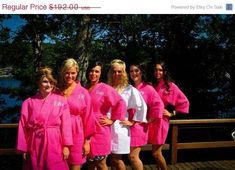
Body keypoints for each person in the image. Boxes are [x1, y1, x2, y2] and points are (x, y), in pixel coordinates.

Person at [16, 67, 73, 170]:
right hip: (35, 143)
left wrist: (66, 146)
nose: (49, 85)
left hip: (54, 142)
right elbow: (22, 127)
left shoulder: (61, 101)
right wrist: (23, 148)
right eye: (45, 82)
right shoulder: (28, 103)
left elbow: (66, 126)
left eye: (51, 82)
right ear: (38, 82)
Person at [85, 61, 126, 170]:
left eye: (97, 71)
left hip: (100, 130)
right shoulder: (84, 88)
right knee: (90, 164)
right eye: (91, 71)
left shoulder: (105, 88)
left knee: (101, 164)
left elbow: (120, 102)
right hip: (85, 130)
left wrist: (112, 120)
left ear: (101, 73)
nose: (93, 74)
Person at [108, 59, 147, 170]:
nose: (116, 74)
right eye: (114, 71)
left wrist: (133, 121)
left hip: (120, 127)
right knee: (111, 158)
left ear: (124, 72)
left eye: (119, 71)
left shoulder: (129, 89)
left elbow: (141, 106)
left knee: (116, 158)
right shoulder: (108, 87)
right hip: (107, 126)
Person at [150, 60, 190, 170]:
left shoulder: (170, 86)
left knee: (156, 153)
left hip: (162, 121)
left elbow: (185, 102)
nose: (157, 72)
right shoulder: (152, 85)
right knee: (156, 153)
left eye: (160, 70)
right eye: (155, 70)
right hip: (151, 120)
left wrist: (172, 113)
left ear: (164, 71)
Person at [59, 58, 95, 170]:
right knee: (58, 164)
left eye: (73, 73)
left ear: (77, 72)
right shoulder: (56, 90)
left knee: (75, 165)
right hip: (58, 133)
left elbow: (89, 118)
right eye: (67, 73)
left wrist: (87, 142)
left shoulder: (83, 93)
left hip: (76, 133)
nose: (70, 76)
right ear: (62, 73)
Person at [129, 62, 164, 170]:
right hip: (128, 125)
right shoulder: (129, 87)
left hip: (139, 126)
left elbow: (159, 105)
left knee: (133, 157)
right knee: (131, 157)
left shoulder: (147, 88)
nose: (134, 73)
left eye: (136, 71)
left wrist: (149, 120)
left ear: (141, 72)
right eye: (131, 71)